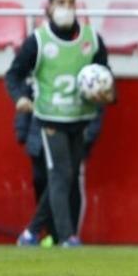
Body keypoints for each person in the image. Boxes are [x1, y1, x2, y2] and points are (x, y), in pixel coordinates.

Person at [5, 0, 115, 247]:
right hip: (50, 118)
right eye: (60, 2)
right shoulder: (38, 41)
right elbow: (14, 74)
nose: (66, 7)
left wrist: (109, 95)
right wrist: (20, 97)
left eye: (70, 2)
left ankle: (31, 232)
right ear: (49, 7)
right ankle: (67, 237)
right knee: (61, 173)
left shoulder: (92, 39)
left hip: (80, 118)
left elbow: (106, 76)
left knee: (66, 174)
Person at [14, 104, 104, 244]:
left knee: (62, 179)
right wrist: (22, 128)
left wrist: (89, 133)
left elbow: (97, 98)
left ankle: (52, 234)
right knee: (54, 179)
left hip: (75, 129)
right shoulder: (45, 87)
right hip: (46, 128)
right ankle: (56, 235)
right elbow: (23, 88)